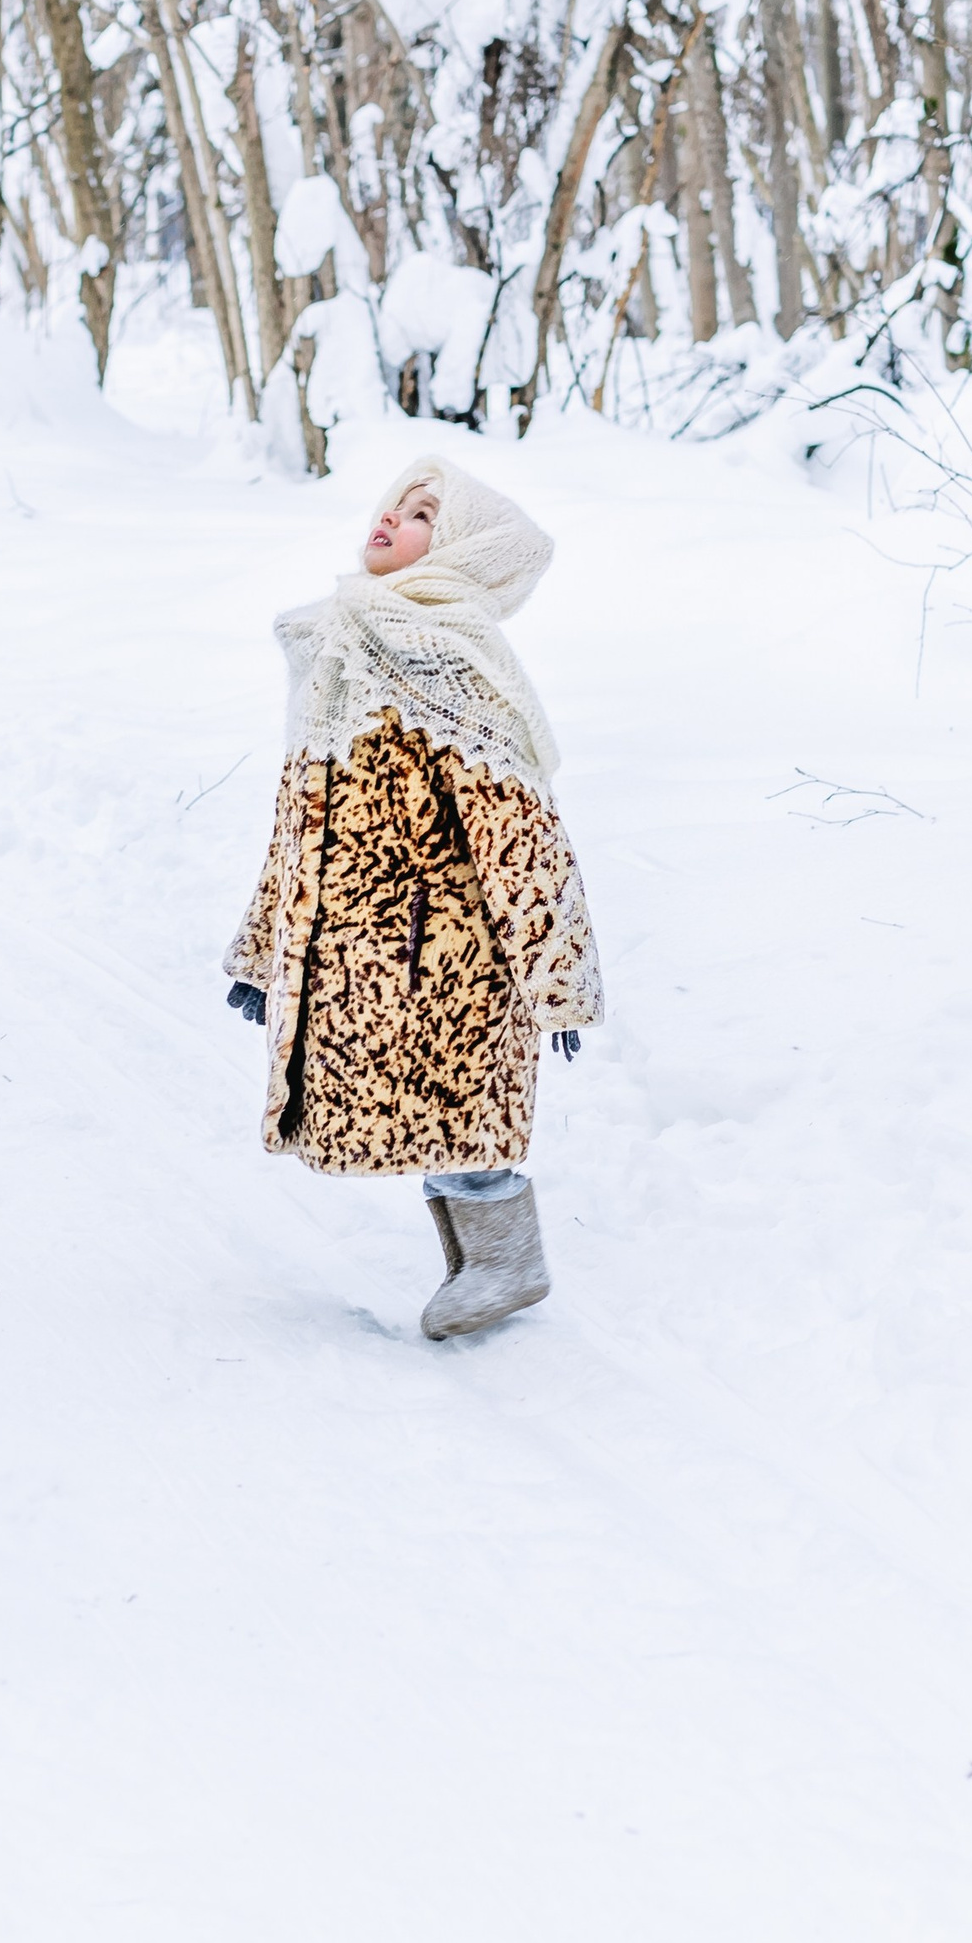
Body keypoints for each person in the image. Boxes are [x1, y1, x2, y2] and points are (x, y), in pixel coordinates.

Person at [225, 453, 601, 1339]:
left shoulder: (452, 663)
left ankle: (509, 1263)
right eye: (394, 504)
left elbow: (522, 834)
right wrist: (261, 951)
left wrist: (558, 974)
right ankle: (478, 1265)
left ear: (464, 549)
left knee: (460, 1113)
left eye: (425, 512)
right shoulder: (342, 646)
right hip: (366, 958)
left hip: (456, 955)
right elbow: (298, 826)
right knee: (430, 1120)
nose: (392, 518)